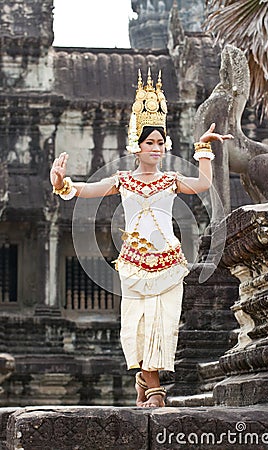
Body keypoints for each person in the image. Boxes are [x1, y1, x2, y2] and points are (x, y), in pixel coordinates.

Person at [50, 69, 233, 407]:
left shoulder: (171, 180)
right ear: (136, 146)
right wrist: (62, 182)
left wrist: (204, 150)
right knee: (137, 325)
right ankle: (153, 390)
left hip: (167, 262)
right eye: (150, 143)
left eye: (161, 143)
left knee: (163, 325)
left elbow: (204, 185)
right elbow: (87, 191)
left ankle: (149, 384)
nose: (156, 149)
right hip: (134, 263)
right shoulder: (122, 180)